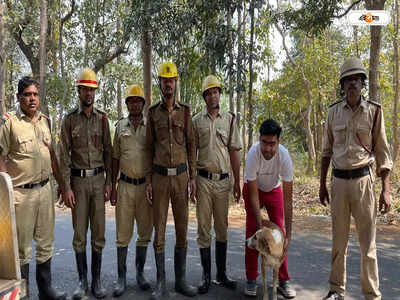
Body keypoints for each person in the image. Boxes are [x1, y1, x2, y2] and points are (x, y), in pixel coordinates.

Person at [319, 57, 392, 300]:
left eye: (356, 80)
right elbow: (327, 151)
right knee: (339, 242)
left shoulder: (374, 111)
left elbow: (383, 152)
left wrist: (386, 190)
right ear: (342, 85)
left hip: (364, 182)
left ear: (363, 83)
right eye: (347, 80)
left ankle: (371, 294)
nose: (352, 84)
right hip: (338, 183)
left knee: (367, 245)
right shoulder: (333, 113)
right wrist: (321, 184)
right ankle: (335, 290)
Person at [0, 76, 67, 300]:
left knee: (46, 242)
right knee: (21, 250)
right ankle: (23, 295)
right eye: (27, 94)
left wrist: (62, 185)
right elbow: (1, 156)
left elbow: (52, 155)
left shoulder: (45, 121)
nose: (32, 99)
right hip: (21, 194)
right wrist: (4, 192)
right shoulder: (10, 122)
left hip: (45, 190)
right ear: (19, 97)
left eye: (35, 95)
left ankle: (46, 290)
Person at [145, 61, 197, 299]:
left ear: (176, 83)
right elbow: (148, 148)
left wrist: (193, 178)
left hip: (181, 178)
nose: (168, 84)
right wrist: (148, 181)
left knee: (182, 230)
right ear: (160, 83)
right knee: (159, 232)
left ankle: (181, 281)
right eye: (165, 80)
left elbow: (191, 145)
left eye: (172, 80)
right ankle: (161, 283)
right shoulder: (152, 113)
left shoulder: (185, 112)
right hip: (159, 179)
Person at [59, 68, 112, 299]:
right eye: (85, 89)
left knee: (98, 233)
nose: (89, 94)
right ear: (78, 91)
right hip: (78, 183)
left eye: (92, 90)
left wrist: (110, 182)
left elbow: (109, 152)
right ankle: (82, 282)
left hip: (99, 182)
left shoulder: (102, 119)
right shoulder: (70, 120)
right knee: (79, 233)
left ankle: (97, 281)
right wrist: (66, 187)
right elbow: (63, 155)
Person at [192, 75, 242, 294]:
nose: (213, 96)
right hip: (203, 180)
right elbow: (191, 153)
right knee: (203, 228)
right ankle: (205, 276)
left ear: (220, 94)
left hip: (223, 182)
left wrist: (237, 181)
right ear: (204, 97)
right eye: (209, 93)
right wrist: (191, 180)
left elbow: (234, 151)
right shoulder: (196, 121)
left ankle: (221, 274)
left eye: (216, 92)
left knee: (222, 228)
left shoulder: (229, 120)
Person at [243, 119, 296, 299]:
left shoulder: (284, 156)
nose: (267, 148)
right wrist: (260, 228)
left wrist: (288, 234)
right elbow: (253, 195)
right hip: (254, 189)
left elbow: (288, 201)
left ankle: (283, 279)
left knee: (278, 233)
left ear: (278, 142)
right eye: (264, 143)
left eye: (272, 144)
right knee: (253, 231)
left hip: (274, 189)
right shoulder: (252, 154)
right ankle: (251, 278)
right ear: (259, 140)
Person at [110, 84, 152, 297]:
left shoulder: (150, 126)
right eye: (131, 101)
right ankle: (121, 277)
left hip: (145, 187)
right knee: (122, 234)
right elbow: (115, 157)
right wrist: (113, 185)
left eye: (138, 100)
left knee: (144, 233)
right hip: (125, 186)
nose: (134, 104)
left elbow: (155, 156)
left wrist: (152, 183)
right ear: (127, 104)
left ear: (143, 104)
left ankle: (140, 273)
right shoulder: (120, 127)